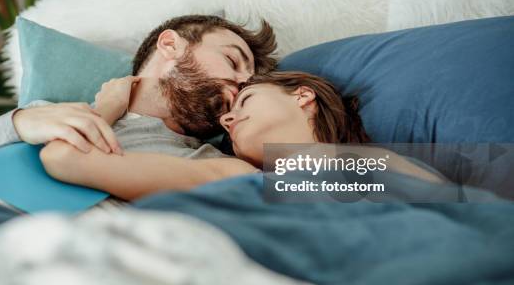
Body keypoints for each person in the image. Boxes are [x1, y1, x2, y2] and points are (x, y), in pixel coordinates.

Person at [0, 14, 278, 197]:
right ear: (170, 45)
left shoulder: (216, 163)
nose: (242, 83)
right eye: (233, 61)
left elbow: (332, 171)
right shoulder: (44, 115)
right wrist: (18, 124)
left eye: (250, 83)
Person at [41, 71, 443, 200]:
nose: (228, 121)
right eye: (227, 122)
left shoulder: (381, 163)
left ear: (303, 96)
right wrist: (107, 109)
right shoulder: (235, 174)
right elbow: (62, 158)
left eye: (245, 99)